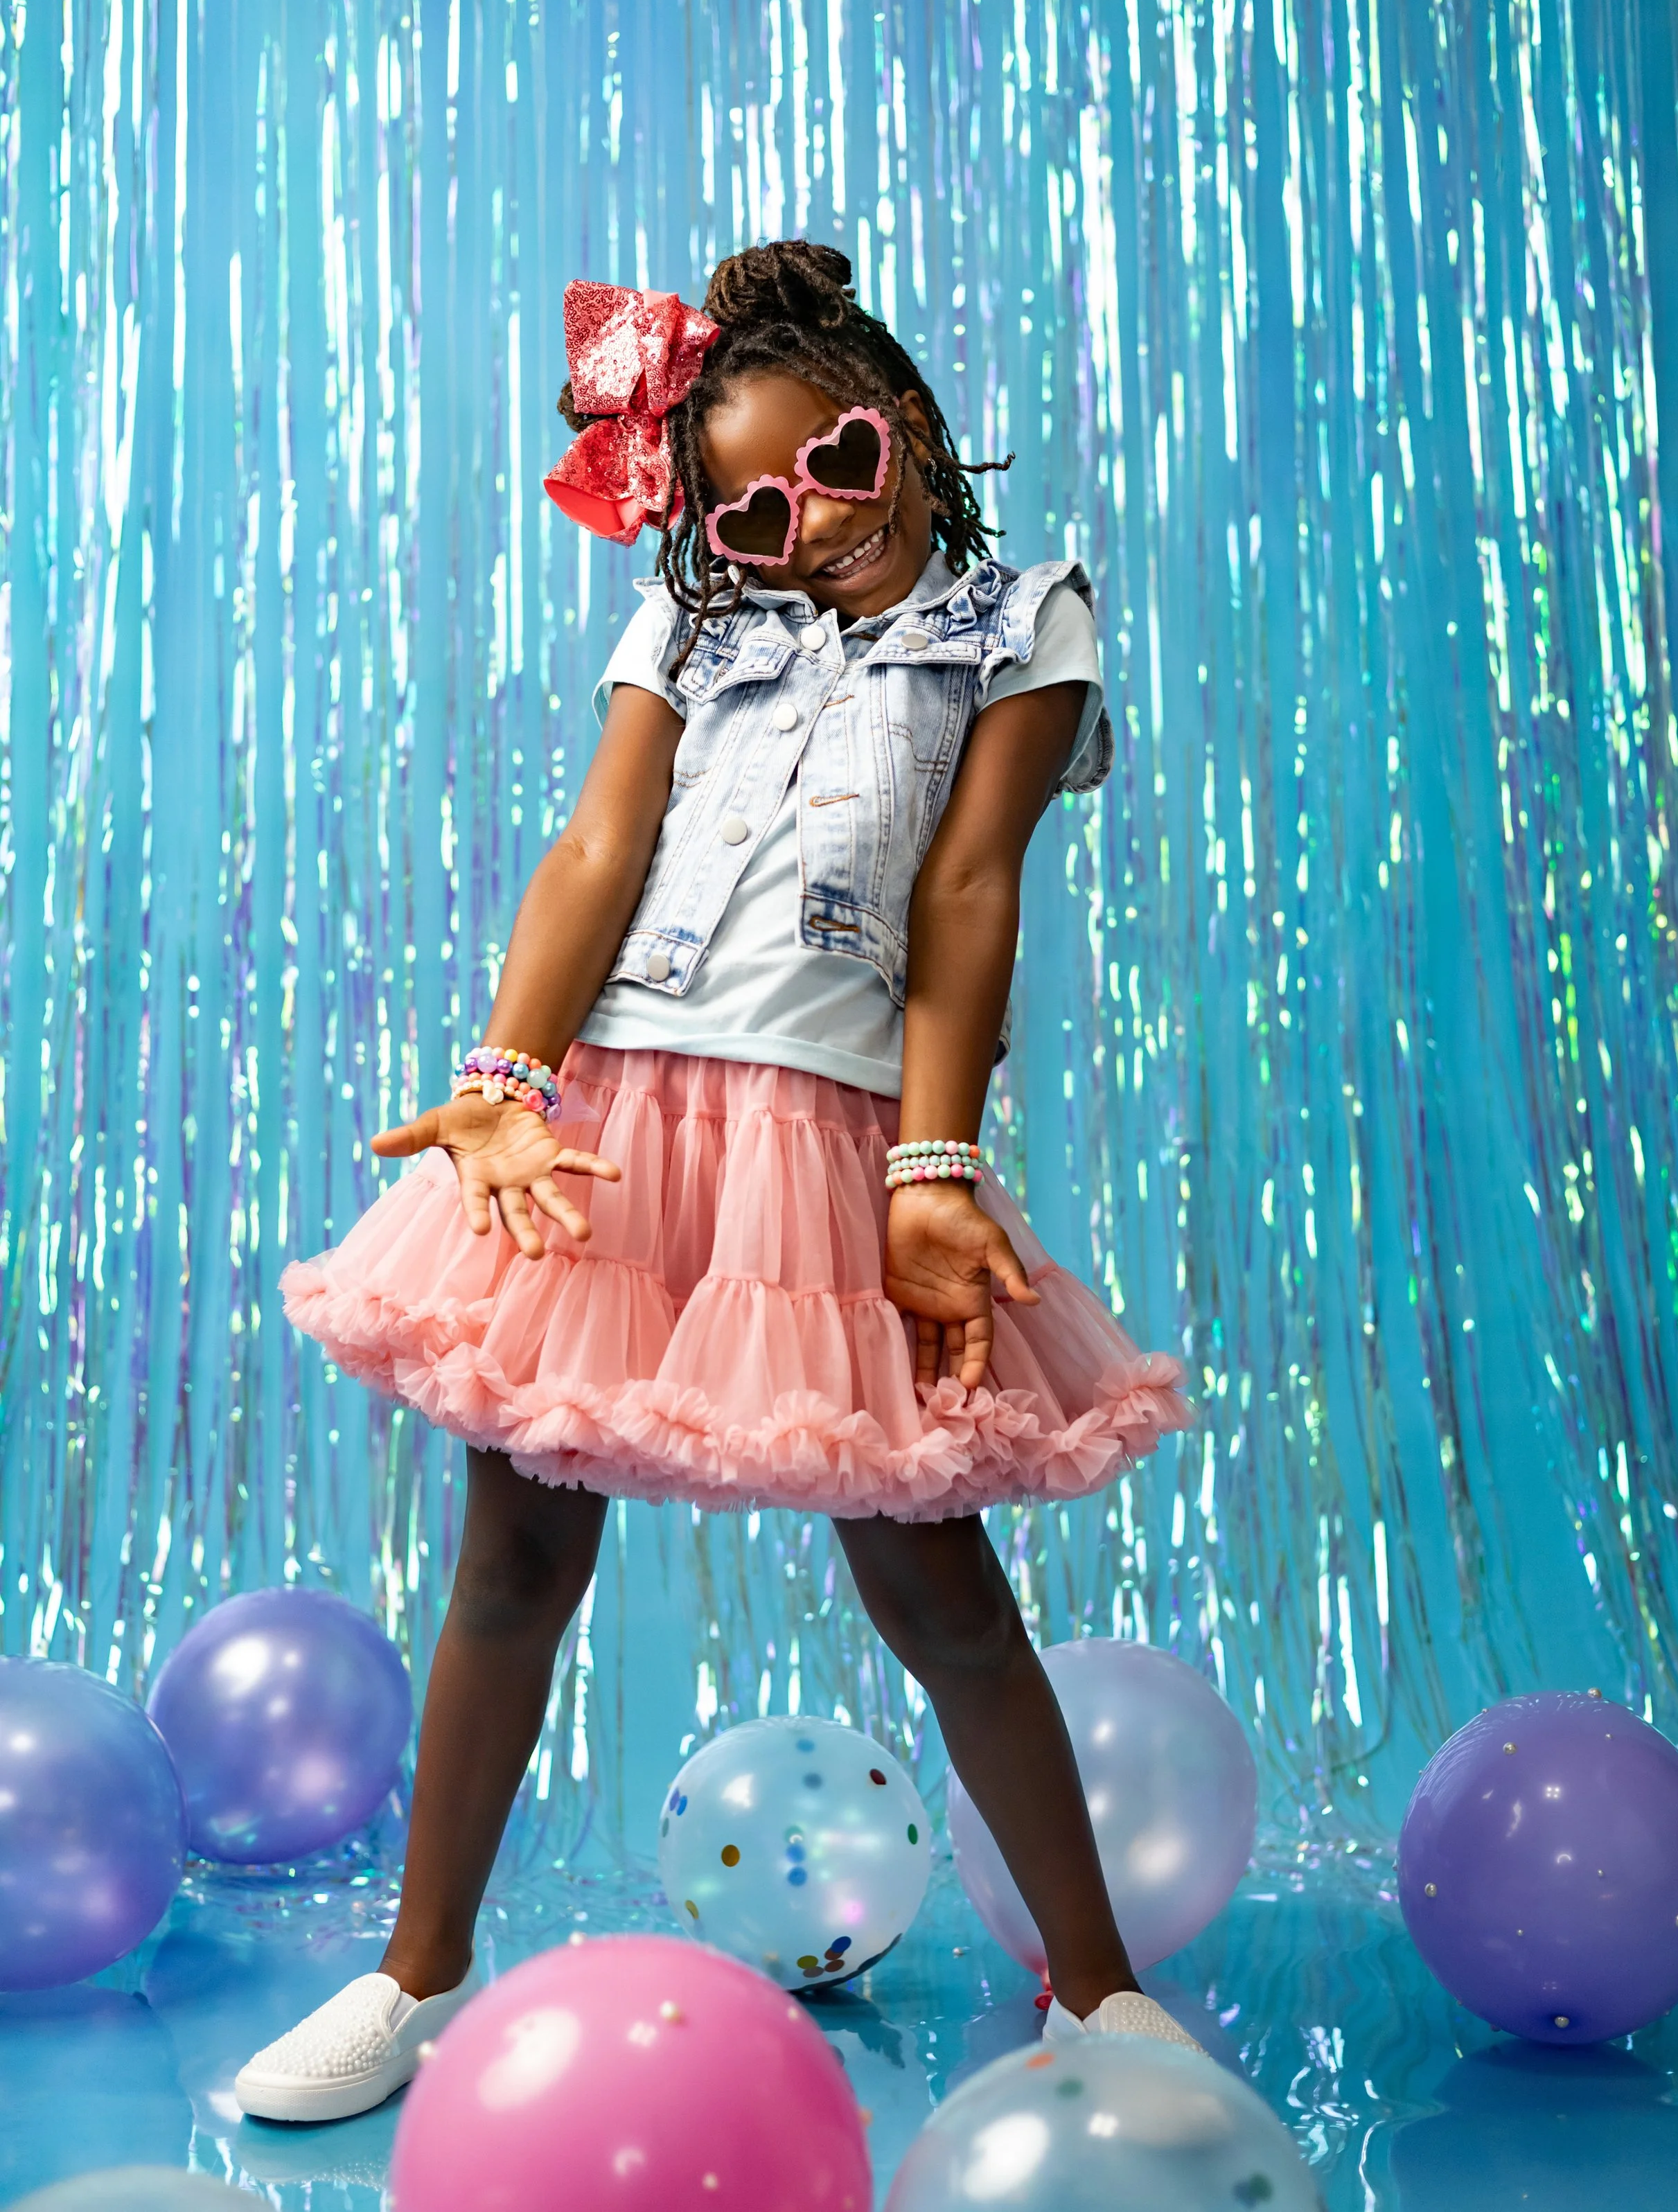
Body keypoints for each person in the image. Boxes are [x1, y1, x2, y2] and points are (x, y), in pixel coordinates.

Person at [235, 242, 1194, 2123]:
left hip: (826, 1139)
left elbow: (967, 892)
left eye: (833, 464)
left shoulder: (1020, 623)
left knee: (930, 1575)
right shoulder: (690, 627)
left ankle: (1100, 1995)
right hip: (609, 1122)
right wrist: (502, 1081)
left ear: (899, 420)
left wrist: (931, 1160)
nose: (802, 521)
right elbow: (598, 847)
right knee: (512, 1551)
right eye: (748, 509)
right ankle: (414, 1978)